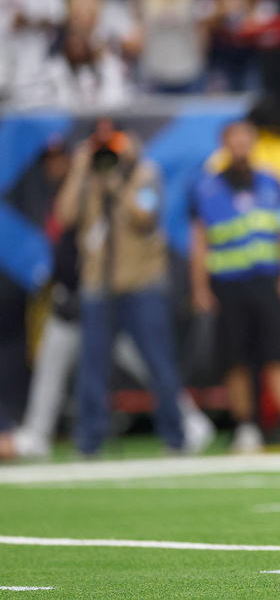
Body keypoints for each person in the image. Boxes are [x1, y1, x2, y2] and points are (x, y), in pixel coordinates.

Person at [190, 120, 280, 453]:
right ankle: (246, 427)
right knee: (236, 359)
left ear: (253, 143)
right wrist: (200, 287)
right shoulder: (206, 187)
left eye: (245, 140)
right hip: (227, 283)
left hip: (267, 281)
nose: (240, 147)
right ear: (224, 146)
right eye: (233, 142)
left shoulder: (272, 181)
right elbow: (199, 240)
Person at [53, 119, 185, 457]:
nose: (107, 152)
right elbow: (64, 216)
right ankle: (89, 441)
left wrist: (116, 184)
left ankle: (175, 437)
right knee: (91, 366)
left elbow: (146, 216)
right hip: (98, 283)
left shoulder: (145, 172)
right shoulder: (88, 178)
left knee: (159, 363)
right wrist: (80, 170)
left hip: (143, 282)